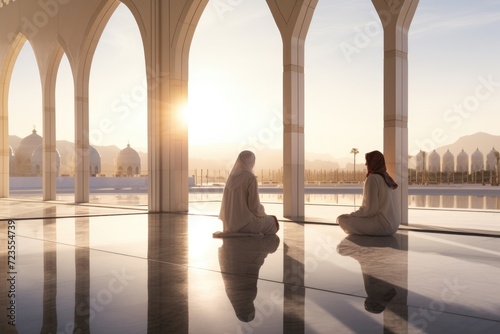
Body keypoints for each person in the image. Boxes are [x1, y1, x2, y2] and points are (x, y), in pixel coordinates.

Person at [336, 150, 400, 236]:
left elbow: (370, 210)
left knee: (342, 219)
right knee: (349, 219)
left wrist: (351, 215)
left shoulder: (373, 178)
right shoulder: (386, 177)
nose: (366, 164)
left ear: (373, 163)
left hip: (383, 226)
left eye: (368, 162)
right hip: (394, 226)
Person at [218, 150, 279, 235]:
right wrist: (263, 212)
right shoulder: (250, 177)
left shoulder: (230, 178)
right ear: (251, 162)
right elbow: (254, 207)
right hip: (245, 224)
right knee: (273, 221)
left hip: (230, 225)